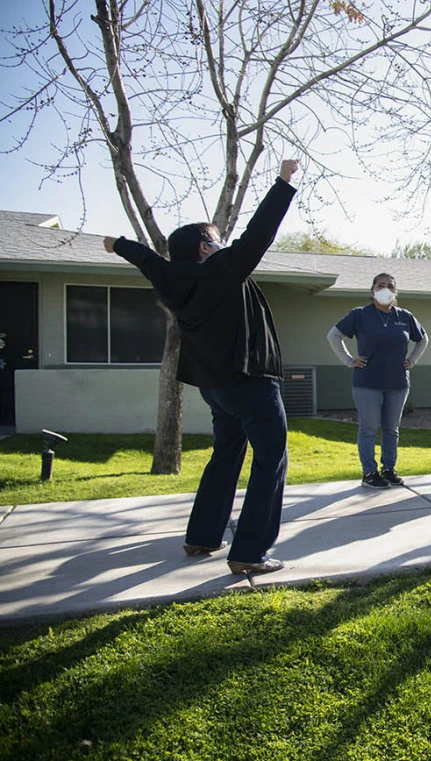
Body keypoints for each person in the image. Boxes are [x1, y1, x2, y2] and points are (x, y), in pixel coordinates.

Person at [103, 160, 300, 575]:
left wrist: (118, 244)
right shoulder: (220, 272)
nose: (223, 241)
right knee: (271, 460)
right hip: (251, 383)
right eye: (216, 238)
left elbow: (144, 258)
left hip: (215, 388)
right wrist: (282, 183)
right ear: (203, 248)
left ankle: (202, 536)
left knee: (226, 454)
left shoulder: (169, 277)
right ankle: (250, 551)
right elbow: (258, 235)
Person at [327, 273, 428, 488]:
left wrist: (412, 360)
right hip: (367, 382)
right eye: (380, 285)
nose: (385, 289)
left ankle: (389, 469)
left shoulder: (404, 316)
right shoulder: (360, 315)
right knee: (369, 428)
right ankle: (370, 473)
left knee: (392, 429)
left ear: (395, 291)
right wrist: (348, 360)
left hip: (398, 383)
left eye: (390, 286)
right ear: (372, 290)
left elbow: (423, 339)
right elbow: (333, 336)